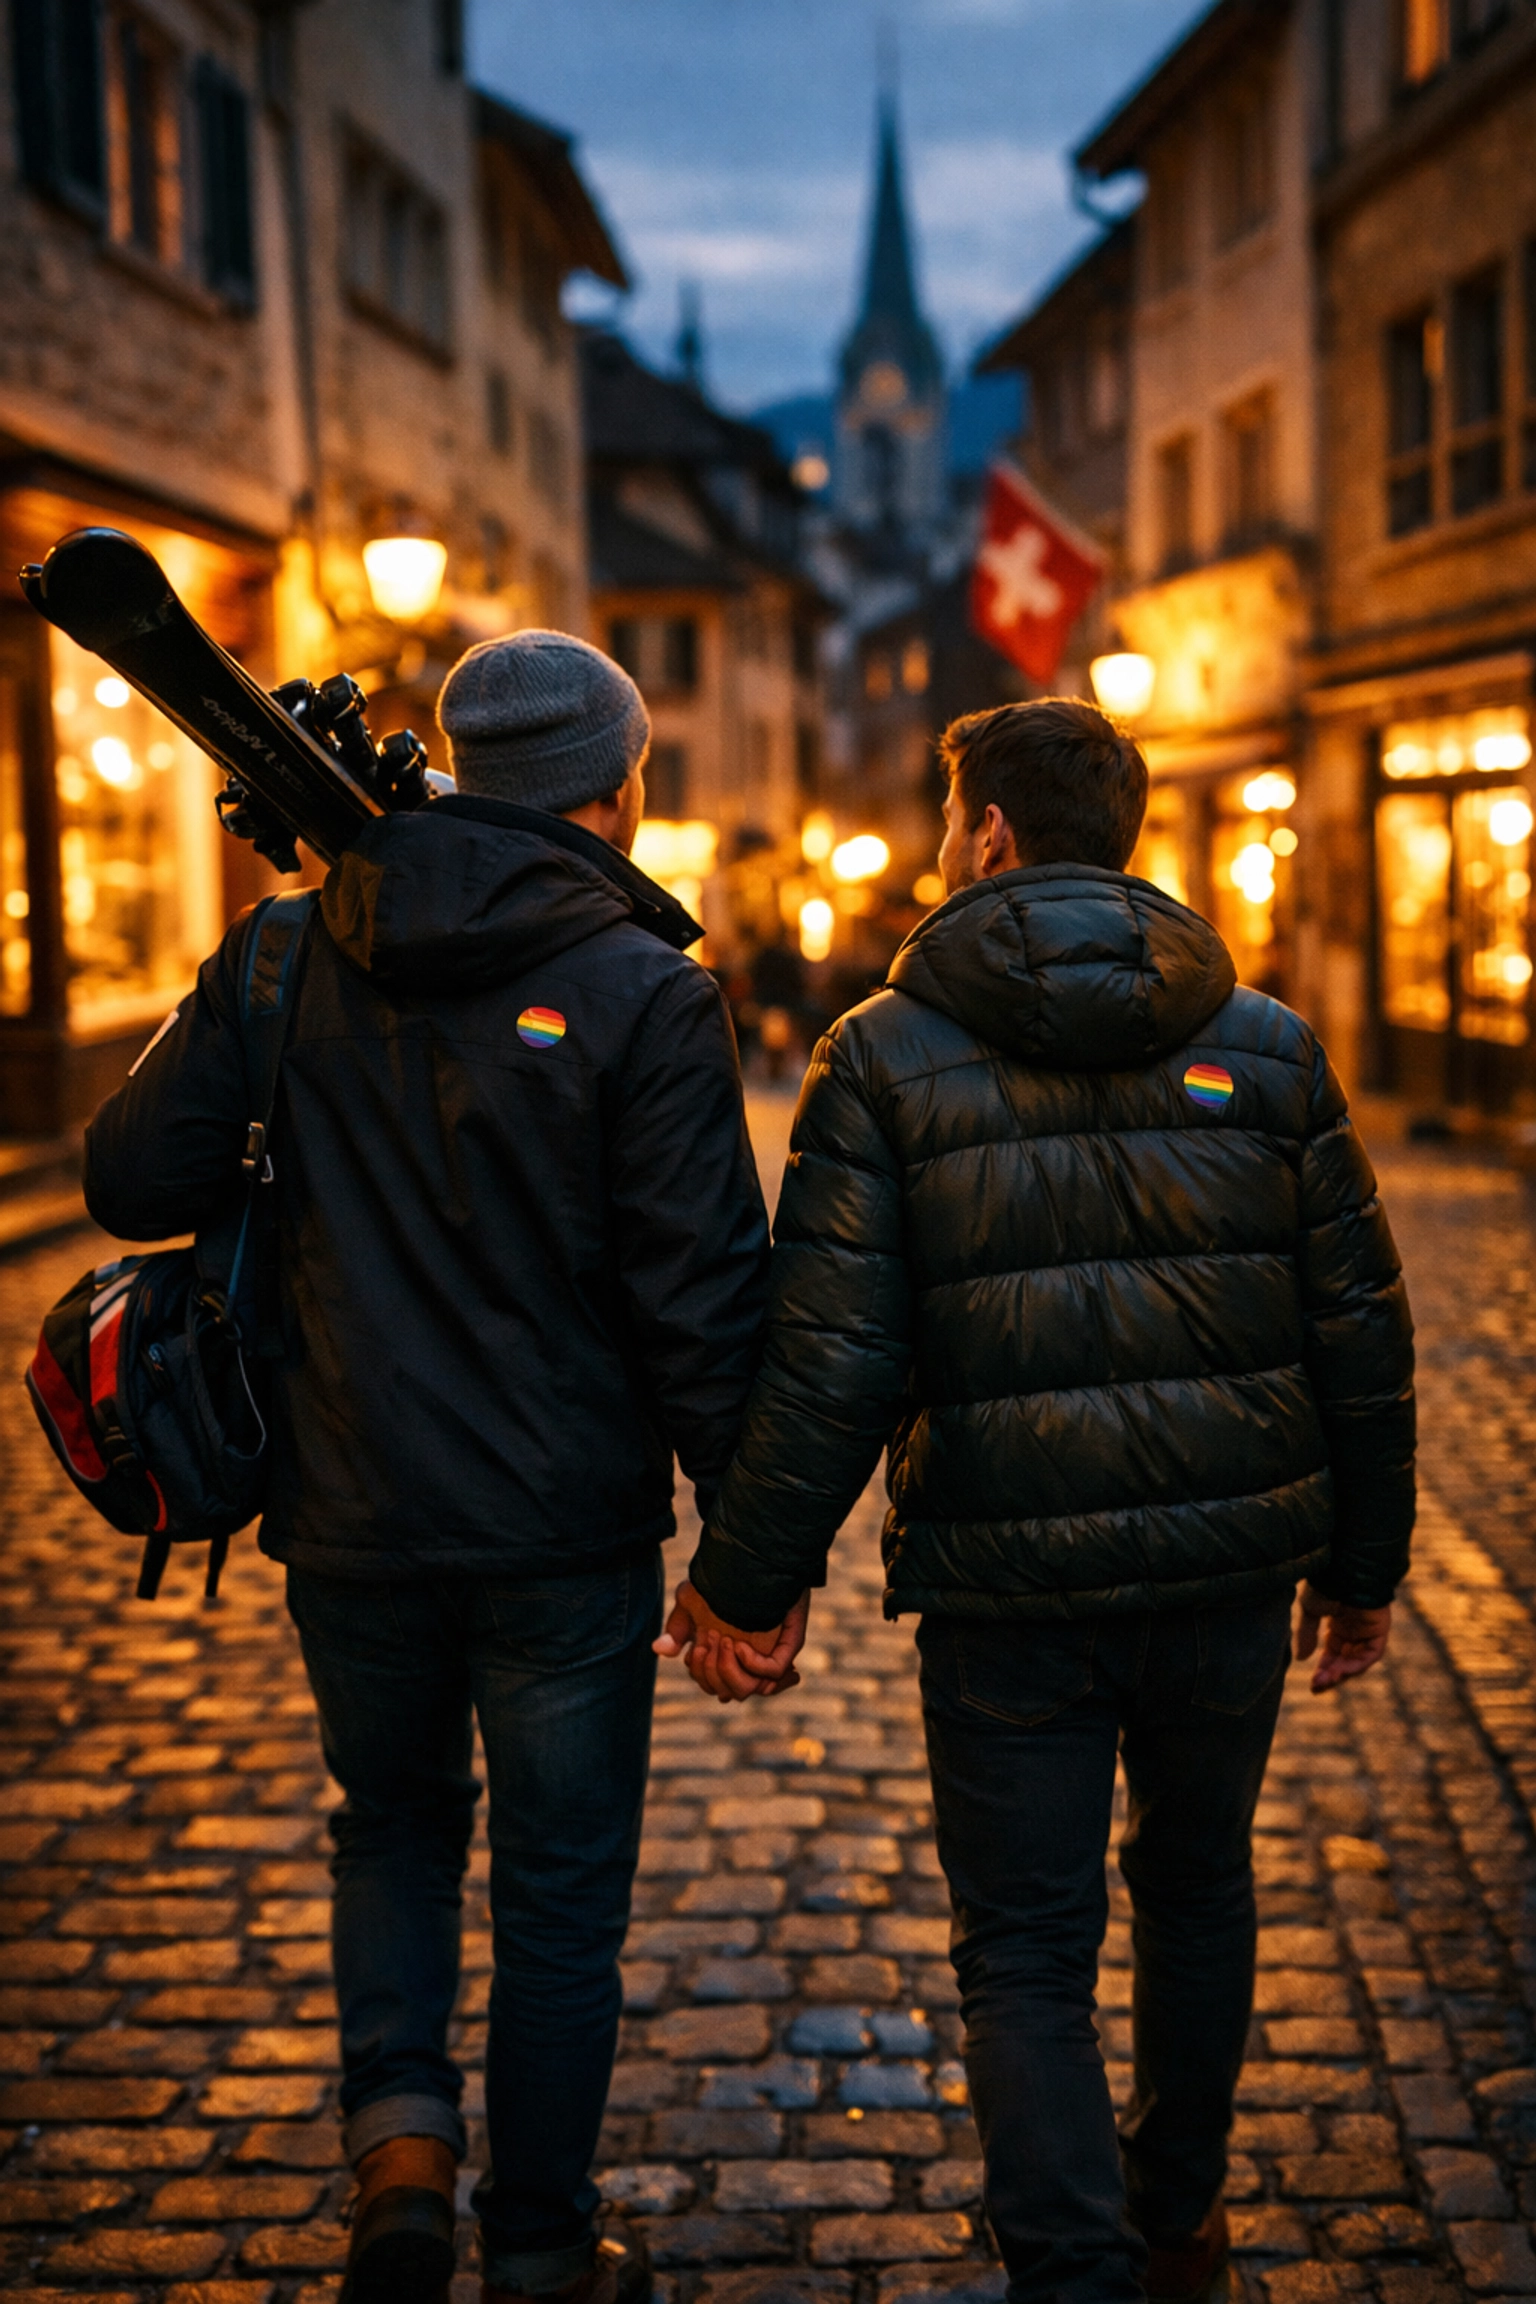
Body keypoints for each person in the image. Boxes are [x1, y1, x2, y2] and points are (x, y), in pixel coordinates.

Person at [657, 698, 1415, 2304]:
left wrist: (746, 1577)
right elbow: (1360, 1326)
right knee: (1200, 1882)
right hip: (1225, 1571)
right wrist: (1365, 1566)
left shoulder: (883, 1051)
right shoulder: (1269, 1044)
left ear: (989, 834)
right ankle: (1180, 2215)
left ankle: (1073, 2270)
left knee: (1024, 1946)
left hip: (1007, 1591)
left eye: (950, 823)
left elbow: (836, 1352)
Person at [84, 632, 771, 2304]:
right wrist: (752, 1564)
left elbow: (126, 1174)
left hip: (352, 1507)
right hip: (563, 1534)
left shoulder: (283, 949)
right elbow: (704, 1308)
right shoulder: (649, 991)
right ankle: (538, 2245)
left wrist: (275, 1011)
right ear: (621, 791)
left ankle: (399, 2158)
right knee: (556, 1891)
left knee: (388, 1831)